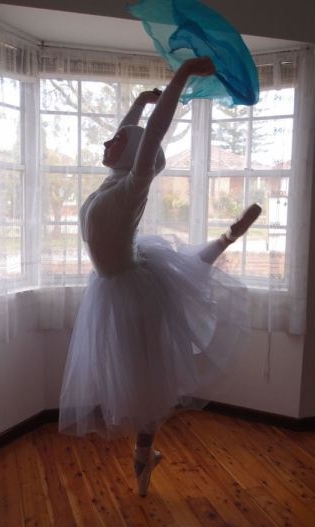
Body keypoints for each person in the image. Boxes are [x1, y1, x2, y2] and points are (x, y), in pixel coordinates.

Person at [58, 57, 261, 496]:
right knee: (138, 378)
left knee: (147, 380)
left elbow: (150, 135)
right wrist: (136, 103)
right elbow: (132, 135)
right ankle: (144, 454)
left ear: (135, 157)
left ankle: (143, 453)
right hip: (114, 285)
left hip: (133, 295)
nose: (108, 141)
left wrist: (182, 75)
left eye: (116, 141)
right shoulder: (113, 179)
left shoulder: (132, 186)